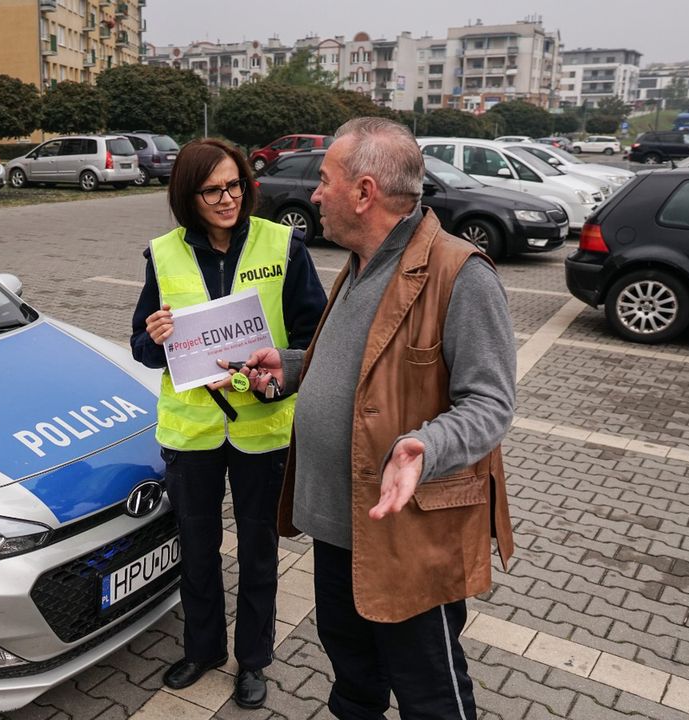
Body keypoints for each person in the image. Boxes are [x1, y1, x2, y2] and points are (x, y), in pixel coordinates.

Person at [234, 117, 516, 719]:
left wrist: (424, 446)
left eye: (325, 180)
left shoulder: (459, 273)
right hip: (339, 528)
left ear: (363, 192)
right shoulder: (362, 260)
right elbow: (356, 363)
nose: (313, 193)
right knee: (354, 684)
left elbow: (490, 402)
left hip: (407, 535)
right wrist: (289, 366)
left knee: (431, 693)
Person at [130, 139, 327, 709]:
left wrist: (275, 371)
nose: (227, 198)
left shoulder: (282, 245)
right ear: (189, 196)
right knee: (197, 546)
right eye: (213, 189)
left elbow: (312, 336)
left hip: (261, 427)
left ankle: (254, 660)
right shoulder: (162, 254)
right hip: (191, 432)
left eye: (235, 185)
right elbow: (141, 345)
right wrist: (157, 337)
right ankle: (203, 650)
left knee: (258, 550)